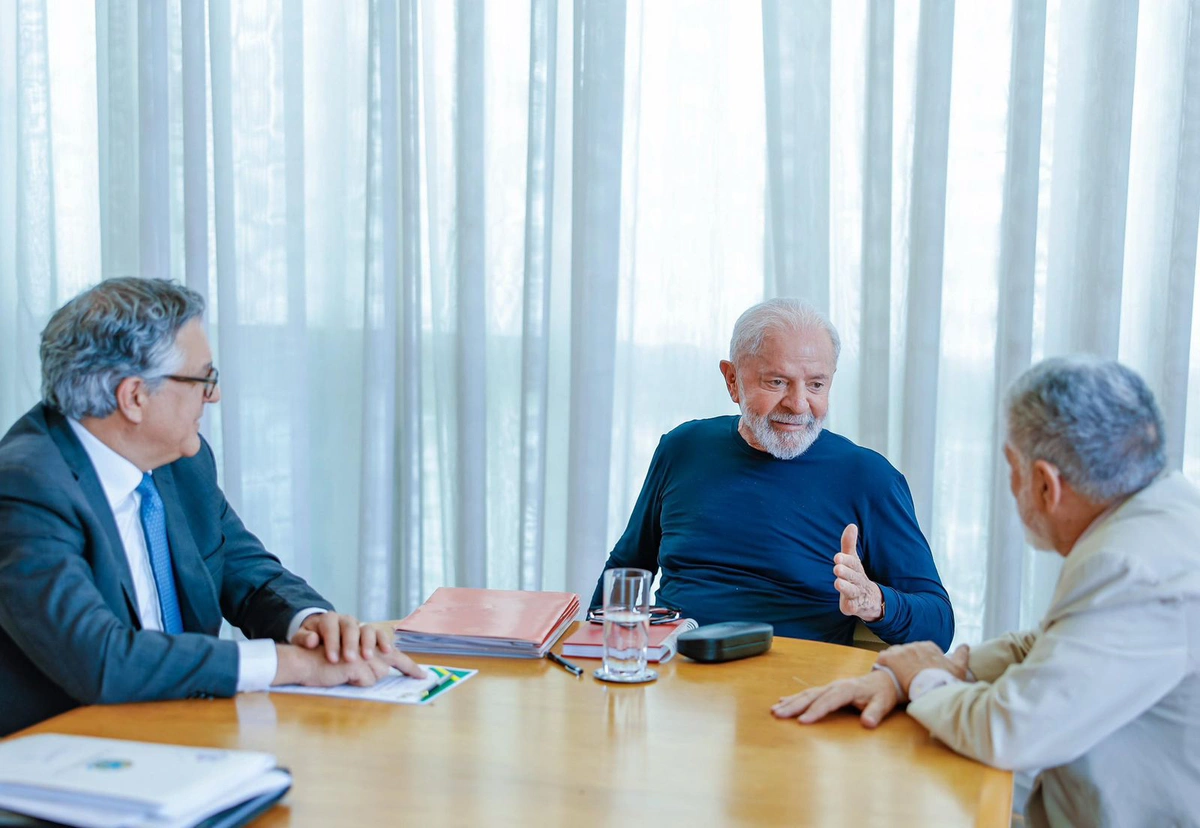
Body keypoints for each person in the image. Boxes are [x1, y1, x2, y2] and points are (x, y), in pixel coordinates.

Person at [772, 356, 1200, 827]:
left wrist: (920, 679)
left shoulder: (1131, 565)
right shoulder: (1162, 514)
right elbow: (1047, 643)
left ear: (1044, 484)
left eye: (1012, 470)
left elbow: (1005, 730)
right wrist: (909, 674)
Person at [0, 277, 423, 737]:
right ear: (135, 397)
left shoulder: (180, 460)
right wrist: (290, 664)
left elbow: (248, 573)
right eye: (204, 378)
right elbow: (100, 659)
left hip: (189, 734)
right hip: (70, 757)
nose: (214, 395)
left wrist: (317, 628)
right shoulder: (24, 488)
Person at [590, 298, 953, 648]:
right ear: (732, 380)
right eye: (777, 382)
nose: (798, 405)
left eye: (816, 384)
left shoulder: (869, 477)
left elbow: (939, 623)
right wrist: (594, 654)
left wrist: (876, 601)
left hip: (791, 690)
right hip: (674, 672)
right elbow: (626, 568)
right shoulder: (681, 447)